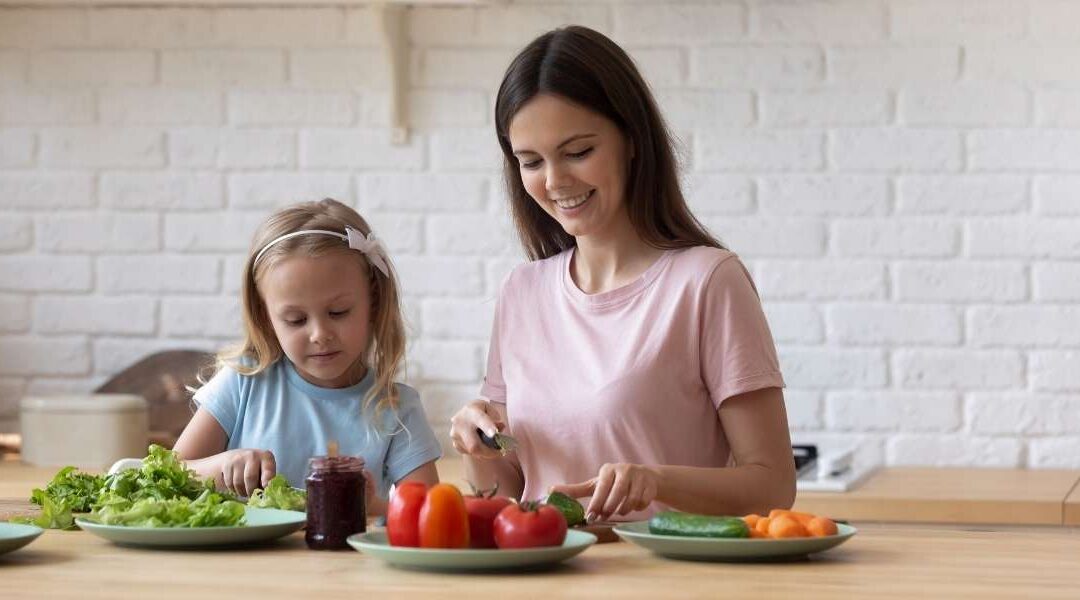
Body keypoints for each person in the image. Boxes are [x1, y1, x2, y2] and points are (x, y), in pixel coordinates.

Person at [449, 26, 796, 524]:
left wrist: (656, 481)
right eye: (530, 161)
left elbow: (772, 484)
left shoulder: (707, 281)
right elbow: (507, 497)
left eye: (578, 152)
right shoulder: (521, 292)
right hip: (546, 575)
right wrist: (475, 446)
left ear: (632, 140)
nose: (554, 182)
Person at [174, 199, 441, 515]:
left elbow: (431, 514)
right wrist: (223, 465)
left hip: (347, 564)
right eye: (296, 320)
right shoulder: (243, 382)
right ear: (266, 316)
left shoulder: (397, 410)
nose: (319, 334)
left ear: (375, 301)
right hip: (244, 564)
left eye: (338, 312)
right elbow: (172, 473)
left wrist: (374, 506)